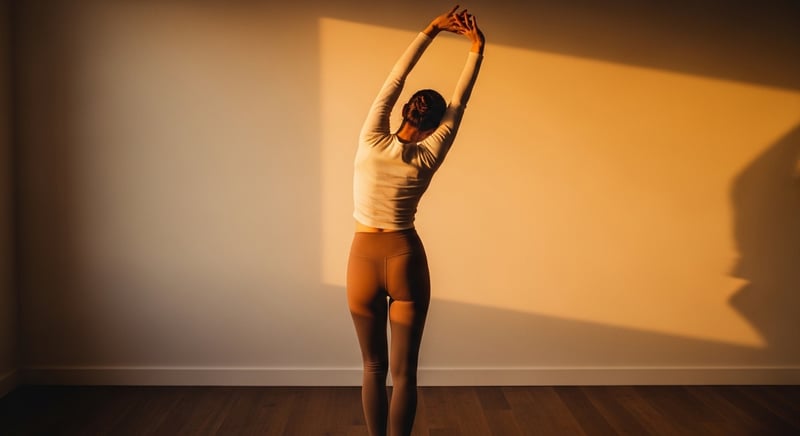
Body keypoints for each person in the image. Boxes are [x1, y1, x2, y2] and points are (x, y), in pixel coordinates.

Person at [346, 5, 484, 436]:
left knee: (372, 367)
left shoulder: (371, 138)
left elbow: (394, 79)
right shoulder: (428, 157)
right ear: (430, 126)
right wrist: (476, 51)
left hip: (362, 260)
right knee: (405, 375)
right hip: (405, 257)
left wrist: (430, 30)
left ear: (405, 111)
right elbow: (459, 104)